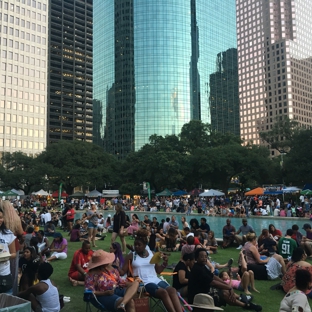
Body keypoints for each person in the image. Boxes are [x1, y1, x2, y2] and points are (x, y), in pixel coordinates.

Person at [120, 229, 182, 312]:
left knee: (172, 290)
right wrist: (116, 266)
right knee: (163, 292)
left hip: (155, 279)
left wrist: (165, 263)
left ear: (145, 245)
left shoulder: (152, 254)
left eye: (139, 245)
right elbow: (123, 272)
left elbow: (158, 271)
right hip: (143, 283)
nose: (136, 247)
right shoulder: (131, 255)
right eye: (135, 245)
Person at [188, 248, 262, 311]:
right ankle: (245, 305)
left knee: (224, 289)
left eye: (205, 256)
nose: (204, 258)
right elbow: (213, 282)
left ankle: (241, 298)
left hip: (205, 291)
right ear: (196, 258)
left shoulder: (202, 266)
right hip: (198, 297)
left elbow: (213, 277)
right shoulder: (197, 269)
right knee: (224, 293)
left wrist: (226, 285)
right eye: (202, 257)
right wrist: (229, 287)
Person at [0, 200, 23, 295]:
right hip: (12, 247)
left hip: (8, 247)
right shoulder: (15, 218)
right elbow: (21, 232)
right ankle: (14, 291)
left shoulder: (8, 233)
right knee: (13, 271)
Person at [0, 207, 17, 294]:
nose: (0, 220)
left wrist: (5, 257)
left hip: (4, 272)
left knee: (6, 302)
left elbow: (14, 253)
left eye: (1, 217)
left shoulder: (8, 233)